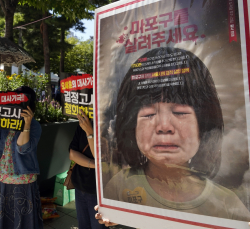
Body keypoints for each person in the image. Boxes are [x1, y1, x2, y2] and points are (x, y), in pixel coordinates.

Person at [97, 47, 250, 225]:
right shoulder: (119, 186)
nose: (164, 126)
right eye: (148, 114)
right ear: (131, 125)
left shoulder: (228, 206)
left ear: (204, 124)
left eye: (179, 112)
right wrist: (115, 216)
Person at [0, 86, 43, 229]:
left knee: (23, 220)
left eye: (22, 101)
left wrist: (27, 124)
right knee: (3, 219)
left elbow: (22, 148)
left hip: (23, 179)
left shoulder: (35, 125)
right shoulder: (6, 122)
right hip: (2, 178)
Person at [69, 109, 107, 229]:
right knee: (83, 225)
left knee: (98, 225)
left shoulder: (109, 124)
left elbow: (100, 156)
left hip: (98, 190)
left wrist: (90, 132)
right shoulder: (83, 122)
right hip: (80, 185)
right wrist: (96, 165)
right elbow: (72, 154)